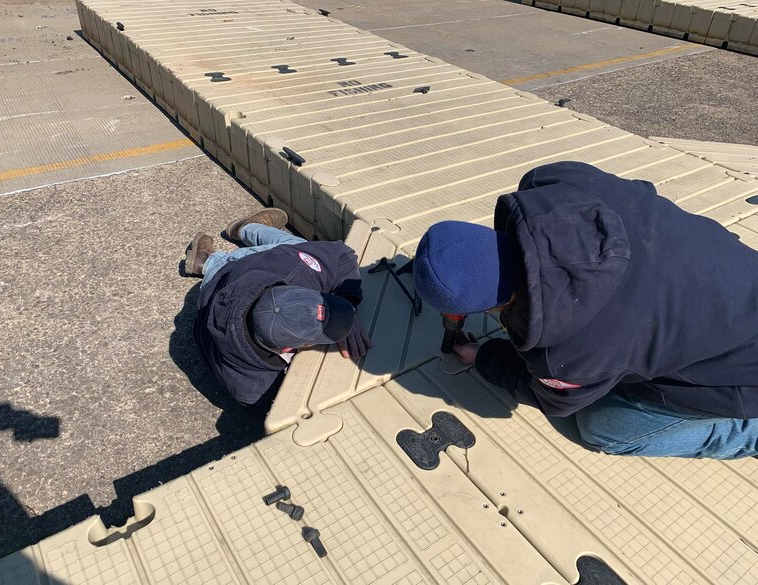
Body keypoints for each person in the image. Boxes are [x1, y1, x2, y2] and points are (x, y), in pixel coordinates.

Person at [414, 161, 758, 459]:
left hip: (745, 377)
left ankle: (749, 436)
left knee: (601, 427)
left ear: (494, 306)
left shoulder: (568, 353)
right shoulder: (553, 181)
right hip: (740, 282)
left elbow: (556, 401)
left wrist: (488, 357)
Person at [183, 208, 371, 406]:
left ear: (291, 288)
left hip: (243, 272)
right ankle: (222, 251)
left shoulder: (293, 268)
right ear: (287, 348)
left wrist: (348, 302)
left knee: (296, 248)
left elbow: (341, 254)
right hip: (220, 279)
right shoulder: (254, 390)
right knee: (296, 244)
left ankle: (229, 243)